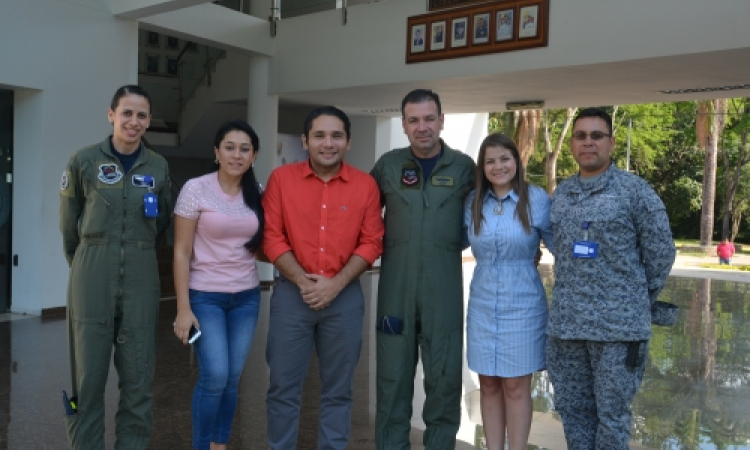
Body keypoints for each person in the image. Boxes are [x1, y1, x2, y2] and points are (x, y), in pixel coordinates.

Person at [547, 108, 675, 450]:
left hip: (618, 332)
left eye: (596, 135)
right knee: (574, 414)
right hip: (567, 328)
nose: (588, 142)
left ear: (611, 143)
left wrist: (634, 300)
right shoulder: (562, 194)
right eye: (581, 136)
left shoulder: (634, 191)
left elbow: (661, 253)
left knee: (613, 417)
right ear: (573, 144)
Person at [263, 106, 384, 450]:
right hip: (291, 295)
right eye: (319, 135)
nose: (327, 143)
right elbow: (271, 236)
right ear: (305, 141)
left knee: (339, 391)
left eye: (336, 136)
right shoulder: (281, 180)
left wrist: (335, 285)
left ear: (348, 141)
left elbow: (372, 240)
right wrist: (303, 281)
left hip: (344, 297)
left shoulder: (365, 185)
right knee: (282, 388)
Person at [60, 85, 173, 450]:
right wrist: (88, 262)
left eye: (141, 115)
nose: (134, 121)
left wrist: (137, 255)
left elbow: (162, 226)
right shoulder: (84, 161)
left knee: (139, 381)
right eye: (127, 113)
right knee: (87, 381)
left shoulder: (158, 166)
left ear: (149, 121)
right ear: (111, 115)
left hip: (142, 278)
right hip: (91, 272)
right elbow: (69, 226)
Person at [371, 89, 476, 450]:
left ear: (442, 121)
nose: (422, 127)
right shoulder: (387, 166)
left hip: (443, 292)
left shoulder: (464, 168)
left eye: (429, 118)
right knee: (392, 379)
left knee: (445, 382)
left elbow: (483, 219)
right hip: (395, 292)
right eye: (413, 120)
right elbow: (361, 217)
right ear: (403, 125)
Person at [172, 120, 264, 450]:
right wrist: (183, 309)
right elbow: (181, 252)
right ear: (216, 151)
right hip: (205, 296)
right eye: (229, 147)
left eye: (244, 149)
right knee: (214, 376)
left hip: (247, 298)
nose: (236, 155)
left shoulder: (259, 193)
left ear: (254, 155)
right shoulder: (195, 189)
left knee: (232, 379)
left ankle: (219, 444)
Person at [464, 133, 554, 450]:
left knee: (516, 385)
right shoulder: (473, 202)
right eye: (490, 160)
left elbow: (561, 244)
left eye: (504, 158)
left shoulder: (537, 199)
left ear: (516, 161)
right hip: (483, 304)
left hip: (524, 304)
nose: (498, 166)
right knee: (487, 382)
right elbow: (450, 241)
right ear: (482, 166)